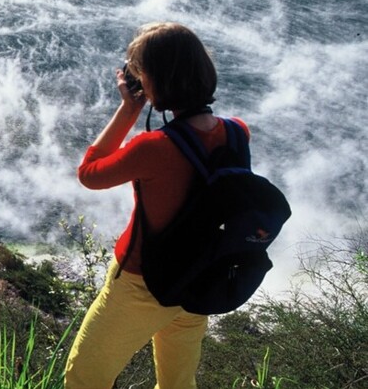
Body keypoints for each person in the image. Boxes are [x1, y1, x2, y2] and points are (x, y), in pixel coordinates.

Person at [64, 22, 249, 388]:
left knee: (84, 378)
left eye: (140, 72)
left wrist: (129, 111)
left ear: (154, 81)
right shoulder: (237, 132)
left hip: (141, 284)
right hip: (198, 280)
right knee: (178, 384)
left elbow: (89, 173)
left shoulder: (153, 148)